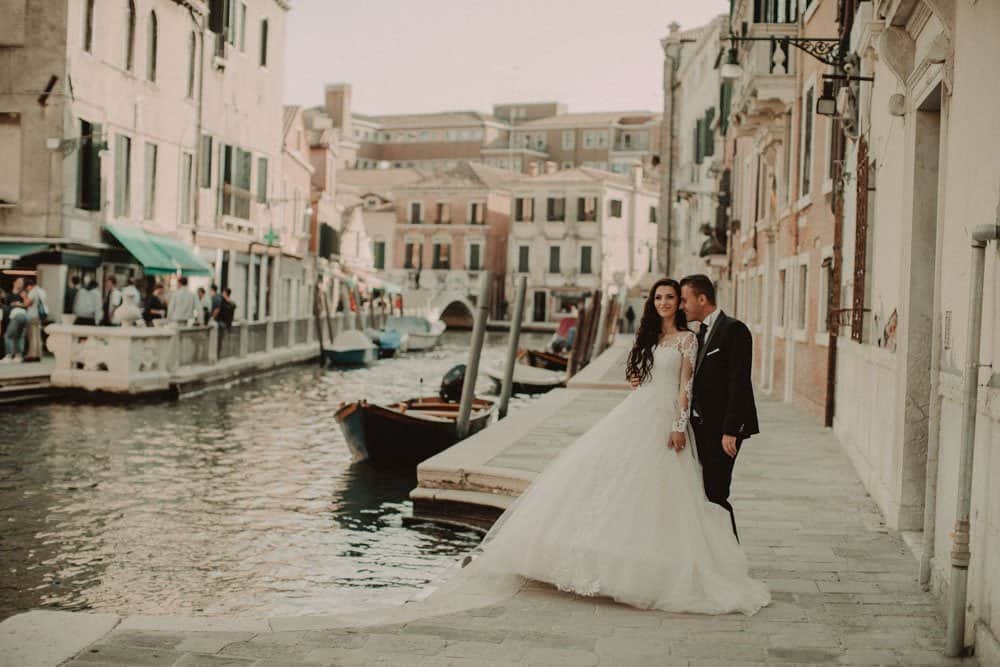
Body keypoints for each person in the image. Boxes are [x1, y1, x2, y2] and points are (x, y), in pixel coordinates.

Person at [454, 278, 770, 615]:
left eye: (671, 297)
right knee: (612, 479)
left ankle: (687, 563)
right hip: (639, 411)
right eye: (659, 297)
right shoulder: (648, 336)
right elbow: (639, 374)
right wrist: (638, 379)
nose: (664, 302)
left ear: (681, 302)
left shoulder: (689, 339)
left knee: (672, 491)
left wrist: (679, 426)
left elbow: (685, 388)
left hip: (667, 419)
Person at [679, 274, 759, 539]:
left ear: (702, 299)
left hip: (723, 430)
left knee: (716, 493)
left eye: (685, 300)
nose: (682, 306)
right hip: (699, 428)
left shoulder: (734, 330)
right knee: (702, 492)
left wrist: (731, 430)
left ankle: (730, 558)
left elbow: (739, 382)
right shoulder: (696, 333)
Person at [2, 279, 28, 363]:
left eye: (22, 283)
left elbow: (27, 305)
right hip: (14, 316)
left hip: (20, 315)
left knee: (8, 335)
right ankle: (18, 356)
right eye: (19, 282)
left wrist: (23, 299)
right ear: (14, 283)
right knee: (18, 336)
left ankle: (9, 355)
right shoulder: (8, 295)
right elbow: (6, 307)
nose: (20, 284)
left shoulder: (23, 295)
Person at [23, 279, 48, 361]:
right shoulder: (41, 291)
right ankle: (38, 354)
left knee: (32, 336)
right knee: (37, 335)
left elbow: (27, 303)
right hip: (39, 316)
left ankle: (32, 355)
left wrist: (24, 296)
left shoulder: (33, 292)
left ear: (29, 286)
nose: (27, 290)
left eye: (27, 288)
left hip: (32, 315)